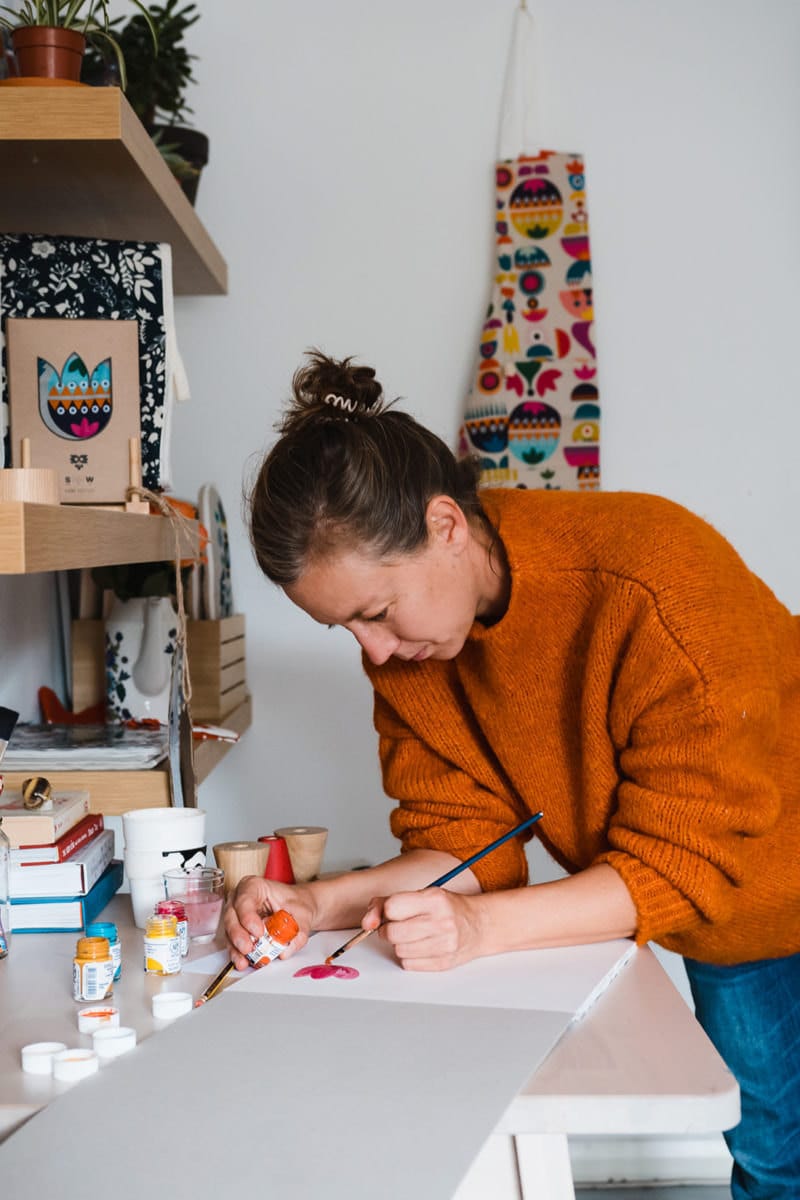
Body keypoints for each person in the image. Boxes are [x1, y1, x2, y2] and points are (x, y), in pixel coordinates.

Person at [226, 350, 800, 1199]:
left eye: (377, 613)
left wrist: (481, 930)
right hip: (732, 908)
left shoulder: (657, 581)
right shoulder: (415, 658)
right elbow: (468, 849)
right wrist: (319, 904)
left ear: (448, 526)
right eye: (347, 630)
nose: (375, 653)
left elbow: (683, 866)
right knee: (771, 1151)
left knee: (779, 1159)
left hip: (769, 884)